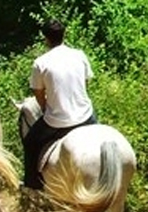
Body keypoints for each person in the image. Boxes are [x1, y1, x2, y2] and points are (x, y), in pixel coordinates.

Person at [22, 19, 98, 190]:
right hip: (86, 115)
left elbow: (38, 93)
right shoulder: (79, 55)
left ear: (45, 38)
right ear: (64, 34)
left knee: (30, 142)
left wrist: (45, 108)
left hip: (57, 121)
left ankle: (32, 184)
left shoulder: (40, 62)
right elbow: (86, 84)